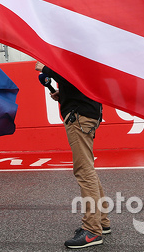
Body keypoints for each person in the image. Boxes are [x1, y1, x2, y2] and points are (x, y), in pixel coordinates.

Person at [35, 62, 109, 249]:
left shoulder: (73, 51)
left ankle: (92, 231)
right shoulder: (84, 51)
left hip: (79, 117)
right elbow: (80, 81)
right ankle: (102, 222)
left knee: (84, 171)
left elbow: (70, 73)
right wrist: (64, 96)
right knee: (87, 167)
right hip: (85, 112)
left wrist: (44, 68)